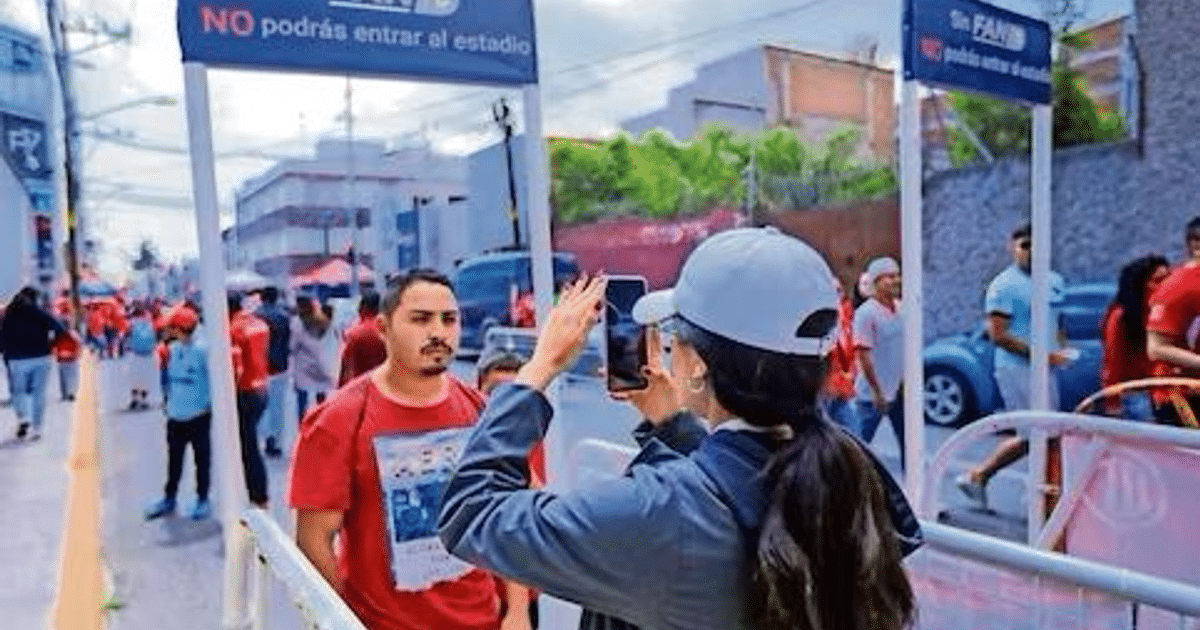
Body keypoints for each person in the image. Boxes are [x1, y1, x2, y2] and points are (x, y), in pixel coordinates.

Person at [438, 228, 920, 630]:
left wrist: (539, 367)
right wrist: (673, 426)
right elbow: (739, 483)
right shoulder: (849, 468)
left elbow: (470, 513)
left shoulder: (660, 511)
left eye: (675, 337)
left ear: (696, 362)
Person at [288, 269, 531, 630]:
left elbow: (509, 515)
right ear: (383, 328)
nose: (438, 332)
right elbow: (314, 539)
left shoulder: (480, 411)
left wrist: (517, 610)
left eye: (449, 319)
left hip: (483, 620)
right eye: (420, 319)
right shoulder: (338, 420)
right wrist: (346, 621)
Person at [956, 224, 1072, 508]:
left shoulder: (1054, 280)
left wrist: (1060, 349)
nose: (1031, 251)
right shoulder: (1003, 286)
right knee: (1040, 433)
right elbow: (999, 335)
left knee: (1040, 434)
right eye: (1025, 245)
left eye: (1036, 244)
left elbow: (1057, 321)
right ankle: (1043, 494)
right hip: (1016, 369)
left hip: (1047, 369)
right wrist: (1043, 356)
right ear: (1013, 247)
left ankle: (980, 477)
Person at [474, 348, 542, 630]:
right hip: (482, 595)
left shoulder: (532, 439)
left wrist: (519, 608)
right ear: (477, 393)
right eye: (495, 392)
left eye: (515, 394)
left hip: (523, 590)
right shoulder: (469, 443)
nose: (505, 404)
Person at [145, 306, 213, 520]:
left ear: (180, 328)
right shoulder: (172, 350)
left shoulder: (205, 351)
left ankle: (203, 499)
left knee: (201, 460)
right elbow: (168, 379)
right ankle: (169, 498)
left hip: (198, 416)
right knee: (174, 461)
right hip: (175, 416)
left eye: (171, 327)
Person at [1100, 255, 1170, 420]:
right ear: (1139, 285)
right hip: (1137, 396)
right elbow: (1112, 363)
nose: (1165, 286)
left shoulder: (1163, 313)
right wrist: (1112, 405)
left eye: (1168, 279)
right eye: (1157, 280)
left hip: (1166, 394)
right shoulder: (1121, 316)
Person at [852, 257, 906, 468]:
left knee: (909, 443)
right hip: (872, 395)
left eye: (897, 275)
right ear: (876, 282)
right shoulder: (866, 313)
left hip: (900, 392)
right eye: (889, 277)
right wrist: (877, 391)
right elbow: (863, 354)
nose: (896, 280)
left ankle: (912, 486)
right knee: (859, 445)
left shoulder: (902, 308)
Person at [0, 287, 65, 440]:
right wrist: (51, 344)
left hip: (16, 360)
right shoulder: (40, 312)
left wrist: (6, 352)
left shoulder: (7, 316)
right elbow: (60, 329)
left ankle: (23, 418)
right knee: (38, 394)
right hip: (41, 358)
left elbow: (1, 337)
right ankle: (37, 429)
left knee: (18, 391)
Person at [228, 293, 271, 508]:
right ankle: (257, 494)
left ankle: (257, 495)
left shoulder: (234, 330)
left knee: (248, 449)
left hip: (244, 391)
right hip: (262, 386)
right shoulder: (260, 324)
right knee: (251, 444)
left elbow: (237, 367)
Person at [256, 287, 292, 458]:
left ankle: (266, 437)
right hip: (279, 366)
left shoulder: (254, 316)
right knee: (278, 406)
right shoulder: (284, 316)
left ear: (261, 298)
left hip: (260, 366)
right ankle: (275, 440)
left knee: (263, 406)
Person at [291, 294, 336, 420]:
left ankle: (303, 422)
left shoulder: (297, 323)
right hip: (320, 361)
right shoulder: (323, 321)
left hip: (303, 364)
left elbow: (293, 345)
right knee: (321, 393)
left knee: (302, 397)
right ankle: (323, 418)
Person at [338, 290, 387, 386]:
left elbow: (346, 367)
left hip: (362, 388)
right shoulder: (389, 329)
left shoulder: (354, 333)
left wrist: (341, 389)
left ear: (363, 308)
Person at [126, 306, 159, 410]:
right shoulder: (149, 323)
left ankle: (135, 399)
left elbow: (126, 337)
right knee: (146, 378)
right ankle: (144, 400)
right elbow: (156, 338)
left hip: (135, 354)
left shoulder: (131, 323)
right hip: (148, 355)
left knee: (134, 378)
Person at [53, 327, 81, 402]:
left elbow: (54, 345)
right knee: (72, 377)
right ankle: (71, 393)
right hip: (72, 359)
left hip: (62, 359)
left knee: (63, 378)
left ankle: (65, 394)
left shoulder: (59, 334)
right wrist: (77, 355)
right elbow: (79, 344)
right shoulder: (74, 334)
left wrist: (57, 356)